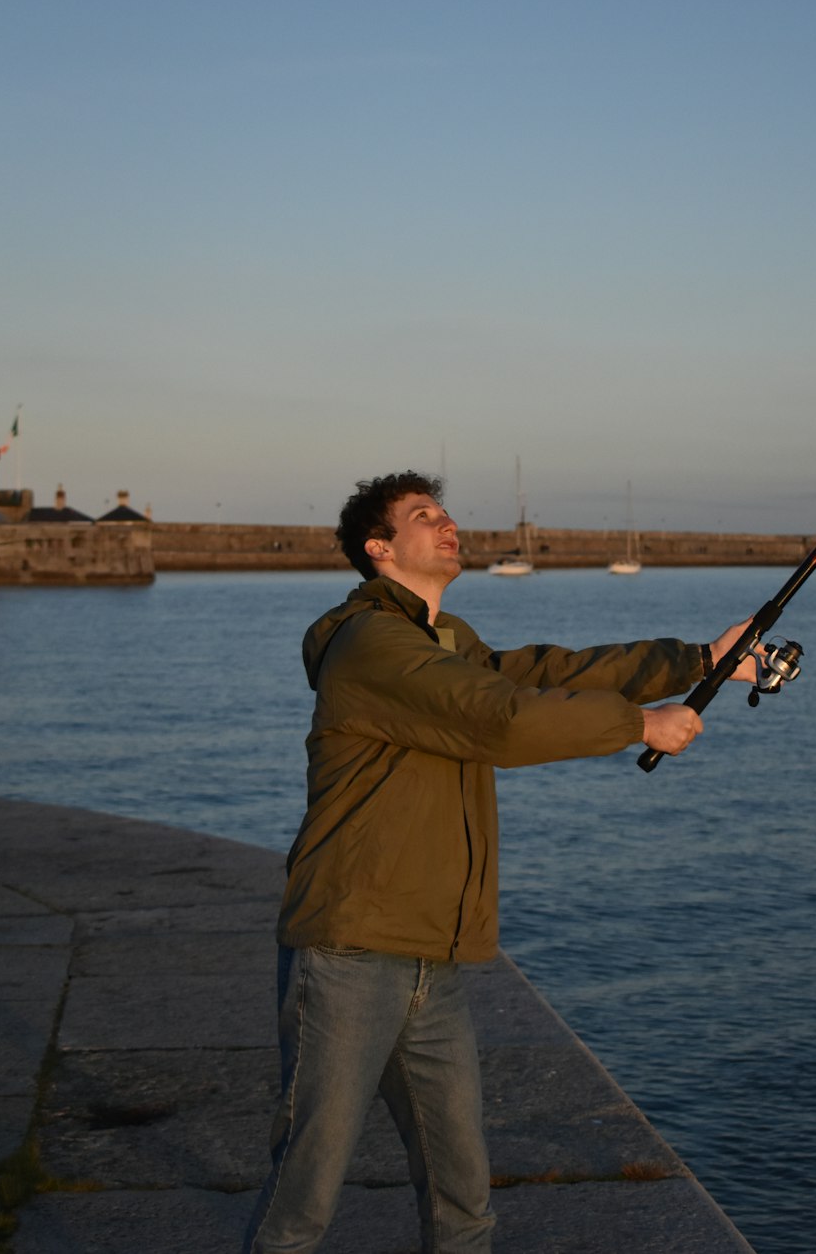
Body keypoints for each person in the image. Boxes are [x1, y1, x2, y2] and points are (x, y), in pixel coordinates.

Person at [243, 471, 760, 1254]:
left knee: (464, 1202)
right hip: (349, 951)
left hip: (433, 959)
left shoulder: (448, 642)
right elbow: (501, 720)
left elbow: (548, 674)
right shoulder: (371, 644)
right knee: (302, 1201)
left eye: (446, 512)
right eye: (424, 516)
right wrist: (638, 726)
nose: (447, 524)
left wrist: (697, 657)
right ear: (380, 549)